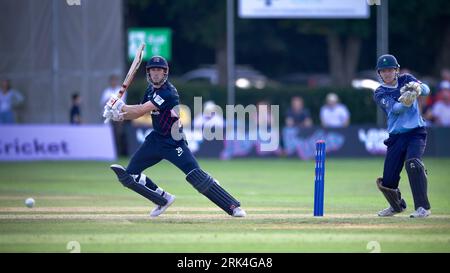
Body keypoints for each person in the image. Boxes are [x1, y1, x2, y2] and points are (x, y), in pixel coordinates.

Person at [102, 56, 246, 217]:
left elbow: (140, 110)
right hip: (156, 140)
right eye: (153, 70)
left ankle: (233, 207)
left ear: (165, 73)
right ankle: (163, 199)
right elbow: (136, 114)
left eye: (159, 70)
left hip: (174, 142)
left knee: (196, 176)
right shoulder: (150, 90)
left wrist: (121, 106)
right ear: (148, 73)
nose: (156, 73)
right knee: (129, 176)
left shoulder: (167, 92)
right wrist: (117, 115)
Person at [373, 54, 431, 218]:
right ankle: (396, 206)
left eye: (390, 70)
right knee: (388, 180)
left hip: (415, 133)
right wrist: (407, 99)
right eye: (383, 71)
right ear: (379, 73)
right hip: (396, 136)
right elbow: (396, 109)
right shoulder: (380, 92)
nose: (387, 73)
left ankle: (422, 208)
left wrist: (418, 88)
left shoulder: (407, 79)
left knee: (413, 163)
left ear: (396, 70)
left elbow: (426, 90)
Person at [100, 75, 128, 156]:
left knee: (118, 134)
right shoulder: (106, 91)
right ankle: (107, 152)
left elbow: (122, 104)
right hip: (108, 116)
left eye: (115, 81)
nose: (113, 82)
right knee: (108, 134)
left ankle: (118, 153)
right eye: (112, 81)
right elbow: (103, 103)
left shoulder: (121, 91)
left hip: (117, 115)